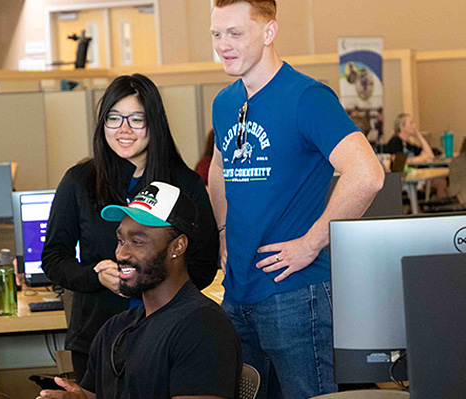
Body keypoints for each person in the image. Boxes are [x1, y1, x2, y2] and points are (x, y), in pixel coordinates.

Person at [209, 1, 385, 398]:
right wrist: (223, 229)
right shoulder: (225, 102)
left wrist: (312, 242)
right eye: (217, 34)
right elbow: (219, 169)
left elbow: (368, 175)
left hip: (295, 294)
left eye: (235, 33)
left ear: (269, 32)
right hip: (236, 293)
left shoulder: (306, 97)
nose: (223, 45)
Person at [41, 74, 219, 383]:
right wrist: (94, 275)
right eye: (114, 118)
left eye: (136, 119)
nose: (124, 129)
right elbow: (54, 259)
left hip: (169, 335)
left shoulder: (184, 184)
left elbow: (204, 264)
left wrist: (151, 281)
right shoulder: (79, 181)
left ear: (155, 123)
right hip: (98, 338)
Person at [38, 182, 241, 399]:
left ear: (177, 246)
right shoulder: (113, 329)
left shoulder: (203, 328)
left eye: (137, 242)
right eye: (120, 240)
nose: (121, 253)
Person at [387, 113, 448, 199]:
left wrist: (418, 135)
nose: (414, 126)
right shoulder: (395, 141)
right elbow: (397, 161)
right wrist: (420, 159)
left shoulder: (410, 145)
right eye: (411, 123)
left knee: (441, 181)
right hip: (404, 181)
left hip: (418, 177)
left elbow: (430, 155)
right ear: (402, 126)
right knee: (440, 183)